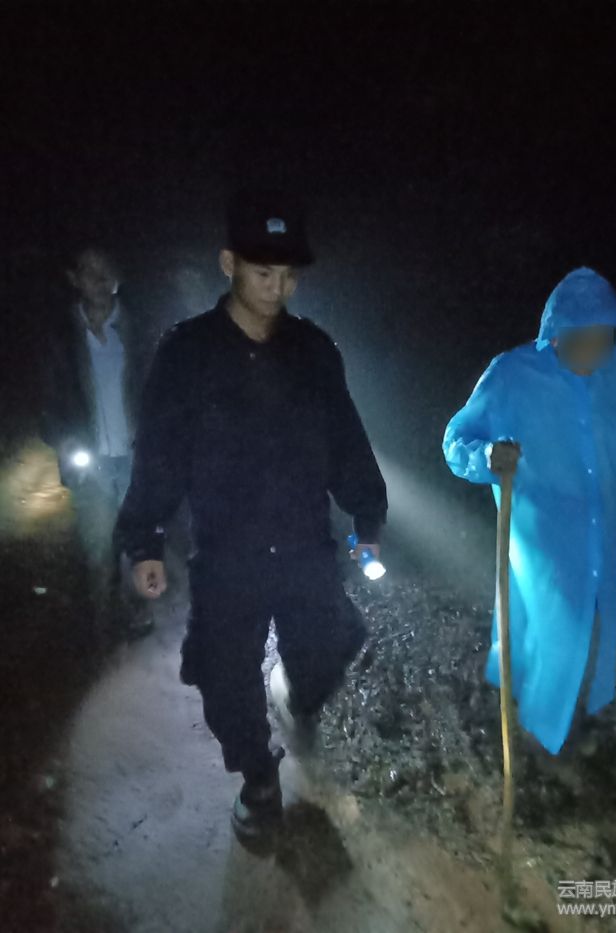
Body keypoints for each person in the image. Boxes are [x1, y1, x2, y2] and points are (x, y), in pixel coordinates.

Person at [115, 189, 387, 841]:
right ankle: (258, 778)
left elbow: (345, 438)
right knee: (224, 675)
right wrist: (145, 538)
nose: (278, 287)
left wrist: (367, 518)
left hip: (304, 545)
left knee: (327, 651)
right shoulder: (187, 353)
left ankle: (295, 691)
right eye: (264, 271)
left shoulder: (314, 350)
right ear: (228, 263)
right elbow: (159, 450)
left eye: (289, 274)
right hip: (226, 551)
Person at [442, 267, 616, 756]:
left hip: (602, 533)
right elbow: (456, 440)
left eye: (604, 339)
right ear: (556, 334)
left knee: (593, 629)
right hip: (541, 539)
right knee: (553, 628)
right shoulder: (512, 374)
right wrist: (487, 456)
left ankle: (570, 724)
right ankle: (537, 740)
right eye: (583, 339)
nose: (594, 351)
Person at [40, 246, 155, 642]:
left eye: (105, 270)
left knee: (138, 545)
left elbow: (162, 391)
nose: (100, 280)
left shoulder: (139, 330)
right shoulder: (62, 337)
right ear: (74, 279)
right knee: (98, 551)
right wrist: (63, 438)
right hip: (91, 465)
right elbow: (49, 403)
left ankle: (137, 613)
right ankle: (103, 626)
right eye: (89, 271)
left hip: (135, 460)